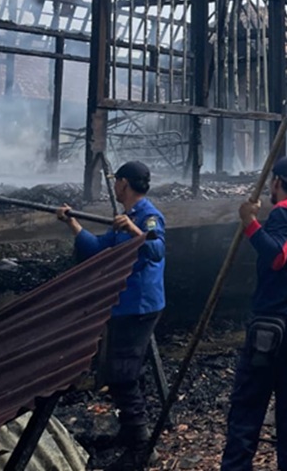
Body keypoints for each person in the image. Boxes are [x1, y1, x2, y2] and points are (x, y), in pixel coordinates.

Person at [56, 161, 166, 465]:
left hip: (139, 305)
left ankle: (142, 447)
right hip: (123, 304)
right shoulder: (125, 217)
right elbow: (97, 248)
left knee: (122, 375)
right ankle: (131, 432)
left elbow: (156, 250)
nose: (115, 186)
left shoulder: (148, 216)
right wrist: (72, 222)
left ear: (123, 184)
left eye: (116, 181)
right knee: (123, 371)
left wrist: (133, 230)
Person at [221, 156, 287, 471]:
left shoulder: (283, 213)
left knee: (247, 408)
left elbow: (277, 256)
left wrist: (249, 222)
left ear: (276, 182)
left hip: (272, 324)